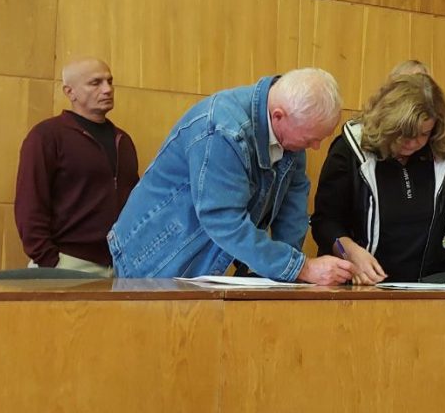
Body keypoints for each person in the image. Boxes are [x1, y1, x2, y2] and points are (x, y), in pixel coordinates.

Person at [108, 68, 355, 285]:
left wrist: (289, 272)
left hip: (201, 264)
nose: (315, 147)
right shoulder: (222, 129)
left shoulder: (292, 134)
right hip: (155, 258)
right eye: (311, 139)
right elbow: (224, 220)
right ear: (279, 116)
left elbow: (293, 211)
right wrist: (301, 268)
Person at [311, 74, 445, 284]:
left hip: (430, 283)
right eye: (404, 134)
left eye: (423, 134)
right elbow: (326, 222)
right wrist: (349, 251)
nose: (413, 143)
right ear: (387, 123)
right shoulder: (350, 148)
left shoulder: (444, 147)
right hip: (365, 285)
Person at [14, 57, 139, 277]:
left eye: (110, 81)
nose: (107, 89)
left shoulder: (123, 140)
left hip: (120, 265)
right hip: (66, 264)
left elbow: (135, 203)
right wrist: (50, 262)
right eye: (95, 83)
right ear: (70, 92)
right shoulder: (47, 136)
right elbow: (29, 203)